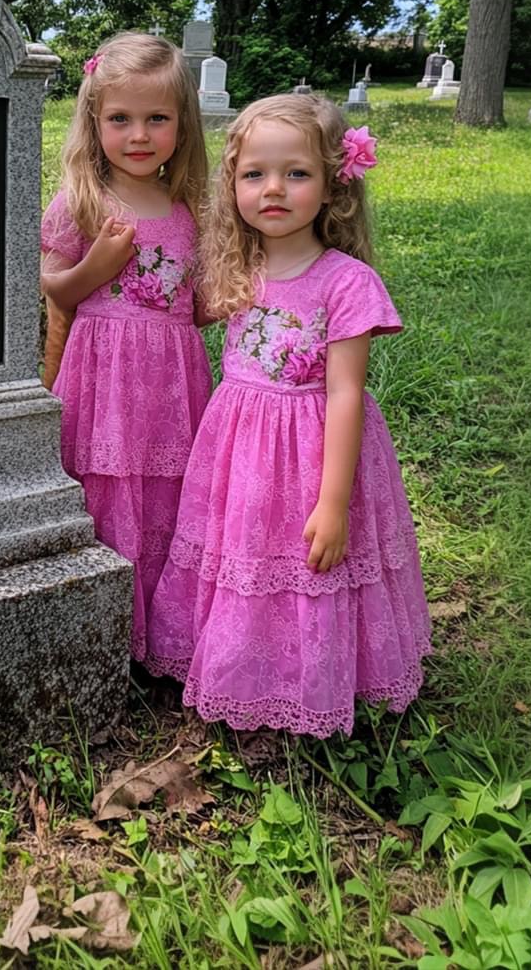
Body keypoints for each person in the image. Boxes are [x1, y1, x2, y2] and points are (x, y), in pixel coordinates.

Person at [146, 94, 431, 735]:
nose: (274, 189)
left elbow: (346, 394)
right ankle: (246, 665)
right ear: (234, 186)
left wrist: (333, 502)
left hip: (313, 451)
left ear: (335, 186)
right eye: (254, 175)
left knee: (309, 565)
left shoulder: (346, 281)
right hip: (241, 451)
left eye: (296, 173)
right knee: (243, 558)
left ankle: (313, 678)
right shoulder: (236, 268)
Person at [40, 32, 211, 659]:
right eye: (121, 119)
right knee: (108, 490)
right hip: (103, 379)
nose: (139, 134)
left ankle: (160, 633)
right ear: (94, 121)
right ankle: (98, 635)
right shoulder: (81, 202)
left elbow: (195, 306)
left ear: (181, 124)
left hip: (171, 383)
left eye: (156, 118)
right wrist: (101, 266)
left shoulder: (190, 207)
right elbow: (56, 292)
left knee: (167, 494)